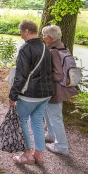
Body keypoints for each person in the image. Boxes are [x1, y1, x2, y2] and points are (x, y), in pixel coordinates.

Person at [9, 20, 54, 166]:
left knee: (22, 121)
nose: (20, 34)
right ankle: (39, 155)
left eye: (21, 31)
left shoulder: (25, 49)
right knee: (37, 122)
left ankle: (27, 154)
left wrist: (13, 95)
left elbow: (21, 76)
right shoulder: (45, 46)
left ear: (27, 31)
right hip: (46, 93)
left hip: (30, 94)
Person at [42, 25, 79, 156]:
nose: (43, 37)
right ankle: (51, 135)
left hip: (55, 89)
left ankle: (61, 146)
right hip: (58, 88)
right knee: (48, 112)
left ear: (49, 38)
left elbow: (58, 74)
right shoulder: (62, 47)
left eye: (44, 35)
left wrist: (41, 75)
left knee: (55, 117)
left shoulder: (53, 51)